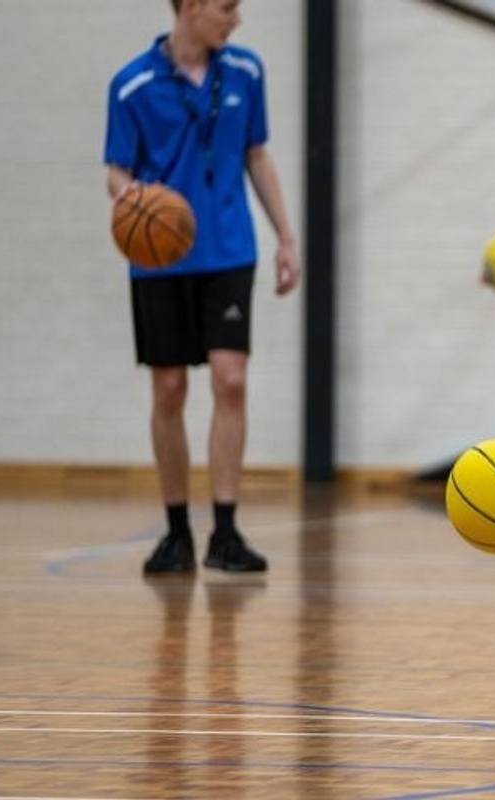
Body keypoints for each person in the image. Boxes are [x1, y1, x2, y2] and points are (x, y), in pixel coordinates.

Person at [105, 0, 300, 574]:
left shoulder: (246, 71)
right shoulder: (131, 83)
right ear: (189, 6)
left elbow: (256, 155)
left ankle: (227, 531)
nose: (236, 18)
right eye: (226, 7)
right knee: (168, 390)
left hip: (229, 248)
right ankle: (175, 534)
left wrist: (286, 237)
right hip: (160, 257)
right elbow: (116, 168)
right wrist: (135, 201)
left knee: (230, 380)